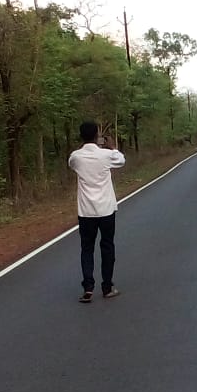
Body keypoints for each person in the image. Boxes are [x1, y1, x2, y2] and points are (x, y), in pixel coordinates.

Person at [68, 121, 126, 303]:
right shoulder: (107, 155)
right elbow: (121, 160)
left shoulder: (76, 157)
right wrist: (112, 147)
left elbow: (71, 163)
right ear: (97, 136)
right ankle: (107, 287)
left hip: (86, 211)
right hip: (106, 209)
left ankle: (88, 288)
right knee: (107, 246)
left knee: (87, 248)